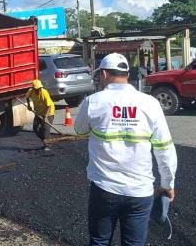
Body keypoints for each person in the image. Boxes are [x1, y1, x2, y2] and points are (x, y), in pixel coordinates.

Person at [74, 53, 177, 246]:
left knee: (99, 241)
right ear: (127, 74)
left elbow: (79, 129)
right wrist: (167, 183)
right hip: (140, 191)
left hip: (104, 189)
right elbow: (165, 148)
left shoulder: (93, 101)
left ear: (104, 74)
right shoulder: (150, 103)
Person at [25, 79, 55, 150]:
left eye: (39, 88)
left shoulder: (44, 92)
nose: (38, 90)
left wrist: (46, 117)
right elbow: (27, 97)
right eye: (36, 89)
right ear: (33, 88)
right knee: (35, 128)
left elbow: (49, 105)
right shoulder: (30, 91)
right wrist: (29, 105)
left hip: (49, 112)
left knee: (45, 129)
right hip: (38, 112)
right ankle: (45, 141)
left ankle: (47, 145)